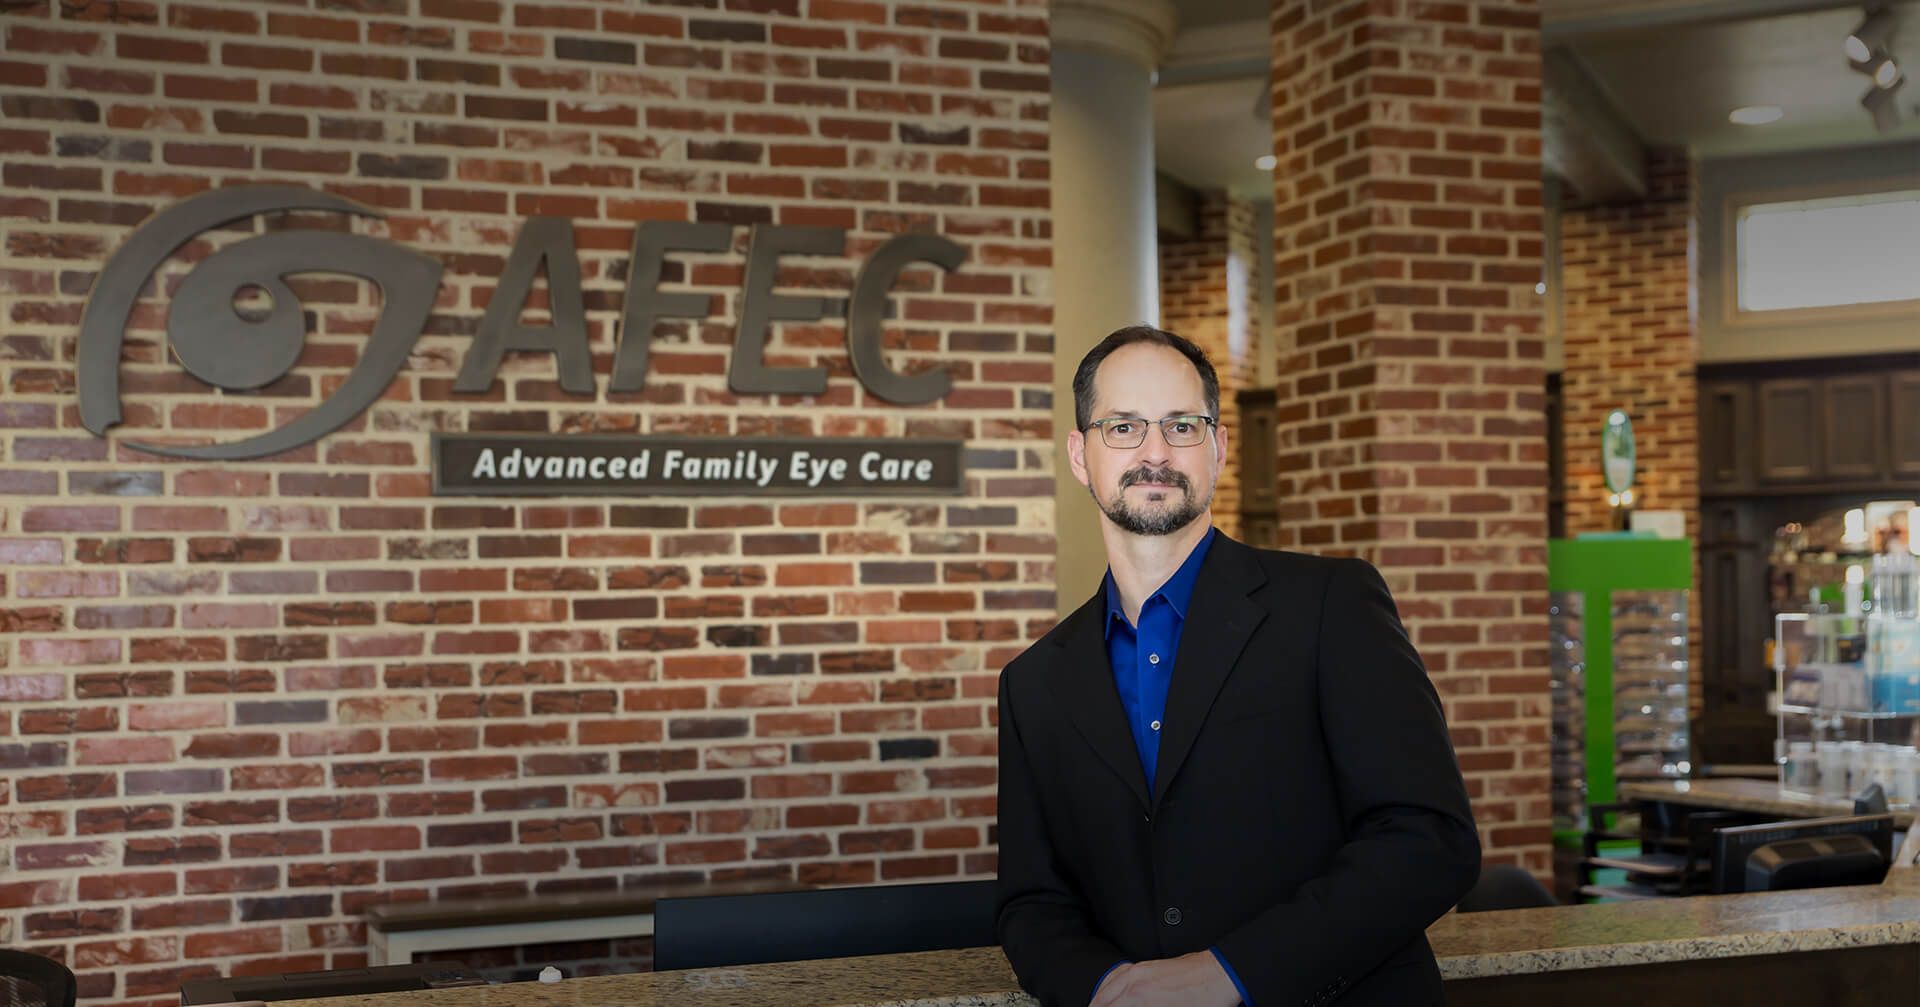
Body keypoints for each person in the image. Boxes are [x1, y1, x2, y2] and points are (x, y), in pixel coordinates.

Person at [995, 325, 1480, 1006]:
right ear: (1081, 455)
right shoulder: (1034, 683)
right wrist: (1104, 988)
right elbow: (1031, 902)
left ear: (1218, 447)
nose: (1156, 452)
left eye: (1182, 426)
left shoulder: (1330, 605)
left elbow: (1429, 840)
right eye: (1124, 427)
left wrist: (1229, 973)